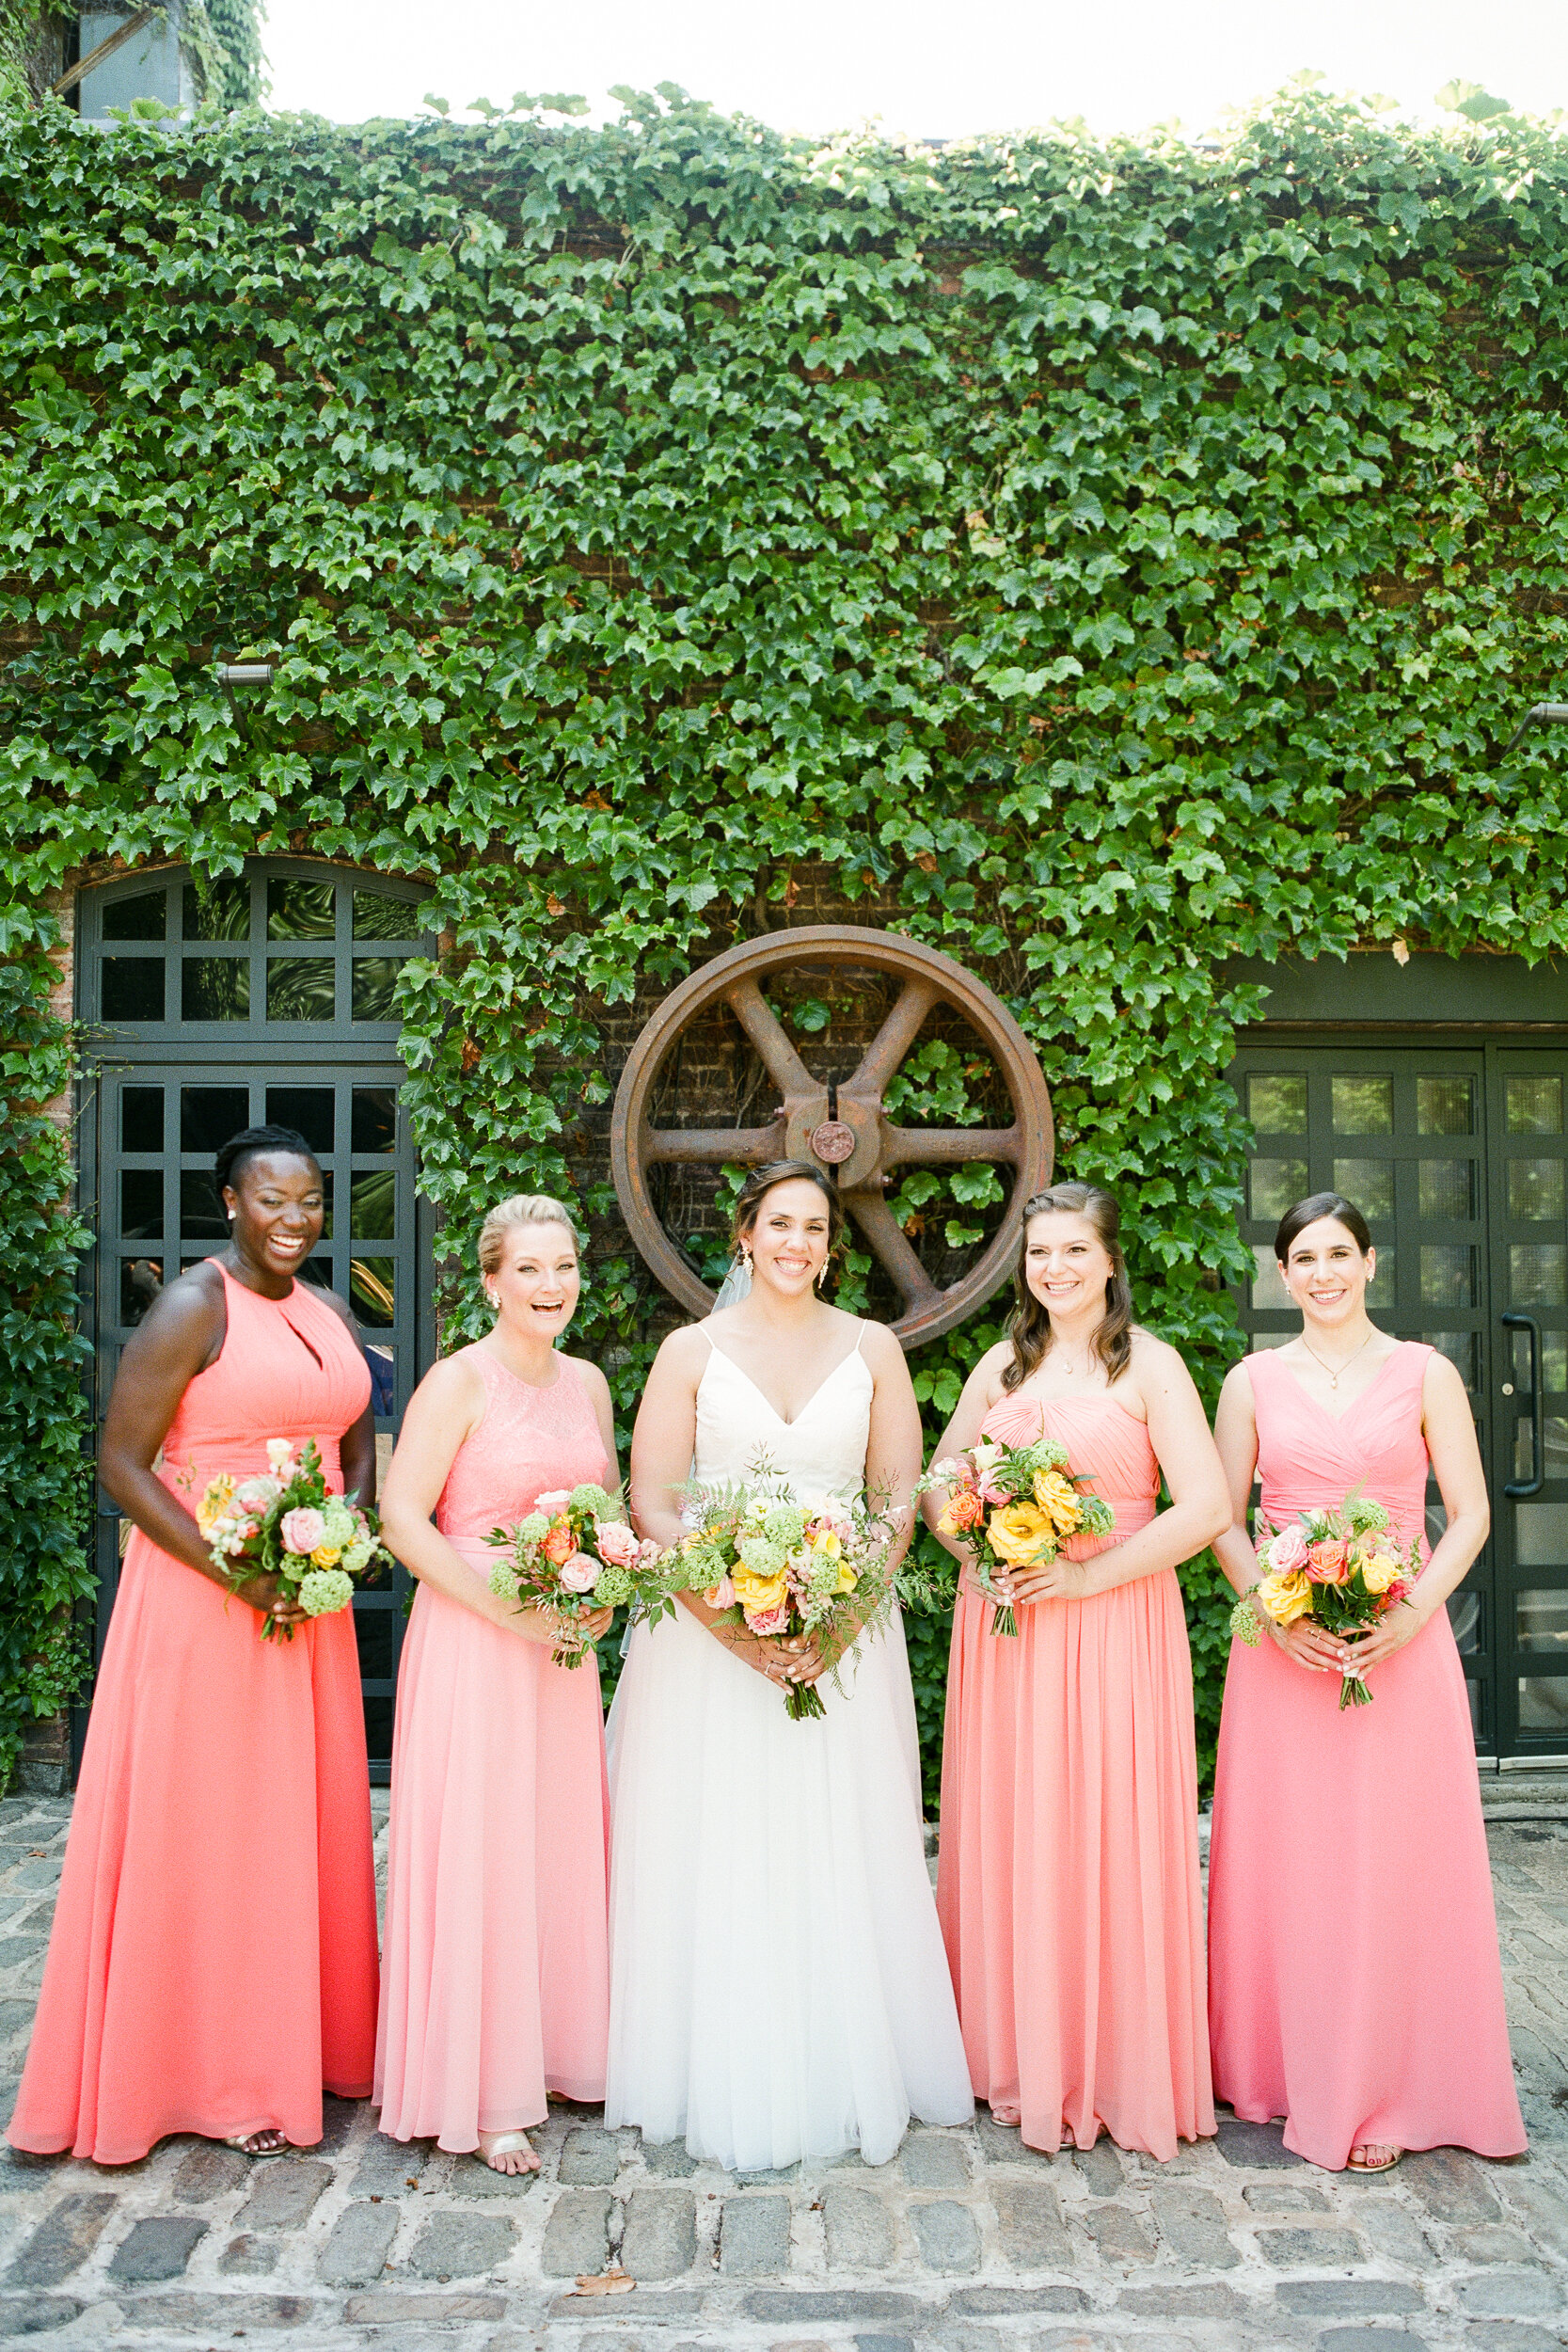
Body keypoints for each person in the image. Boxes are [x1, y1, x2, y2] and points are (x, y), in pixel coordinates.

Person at [9, 1126, 379, 2165]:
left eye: (309, 1200)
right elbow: (124, 1467)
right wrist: (239, 1571)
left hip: (307, 1607)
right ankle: (208, 2073)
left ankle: (300, 2043)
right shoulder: (192, 1306)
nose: (295, 1219)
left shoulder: (330, 1307)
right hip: (205, 1605)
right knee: (212, 1833)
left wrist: (341, 1535)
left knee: (294, 1826)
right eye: (272, 1200)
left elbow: (353, 1443)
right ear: (230, 1201)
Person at [605, 1160, 973, 2170]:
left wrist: (841, 1614)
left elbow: (895, 1500)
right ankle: (709, 2059)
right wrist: (723, 1612)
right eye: (779, 1223)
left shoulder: (872, 1350)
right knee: (714, 1836)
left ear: (829, 1245)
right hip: (704, 1634)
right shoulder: (690, 1349)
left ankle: (842, 2052)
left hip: (839, 1635)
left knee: (835, 1836)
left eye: (813, 1228)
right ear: (744, 1234)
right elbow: (652, 1499)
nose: (796, 1243)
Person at [1207, 1191, 1525, 2171]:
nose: (1322, 1272)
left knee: (1393, 1858)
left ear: (1370, 1262)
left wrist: (1409, 1612)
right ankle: (1271, 2065)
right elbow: (1219, 1517)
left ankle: (1391, 2081)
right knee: (1291, 1857)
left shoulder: (1424, 1372)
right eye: (1302, 1257)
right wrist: (1274, 1610)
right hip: (1284, 1653)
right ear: (1282, 1273)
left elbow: (1465, 1513)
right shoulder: (1250, 1380)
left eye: (1338, 1252)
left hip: (1402, 1642)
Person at [925, 1181, 1227, 2160]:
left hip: (1110, 1624)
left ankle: (1108, 2059)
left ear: (1108, 1260)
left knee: (1102, 1829)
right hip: (1007, 1630)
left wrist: (1080, 1572)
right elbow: (938, 1484)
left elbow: (1204, 1508)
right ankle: (1013, 2051)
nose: (1052, 1269)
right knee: (1016, 1825)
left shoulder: (1150, 1366)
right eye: (1038, 1253)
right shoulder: (996, 1369)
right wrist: (979, 1554)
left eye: (1071, 1251)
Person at [375, 1195, 617, 2174]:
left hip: (561, 1647)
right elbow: (402, 1518)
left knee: (554, 1838)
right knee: (483, 1845)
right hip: (476, 1635)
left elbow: (601, 1511)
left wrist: (606, 1589)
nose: (549, 1286)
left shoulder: (591, 1383)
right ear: (490, 1280)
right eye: (528, 1269)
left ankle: (557, 2049)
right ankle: (485, 2087)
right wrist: (501, 1608)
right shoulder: (456, 1381)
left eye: (561, 1267)